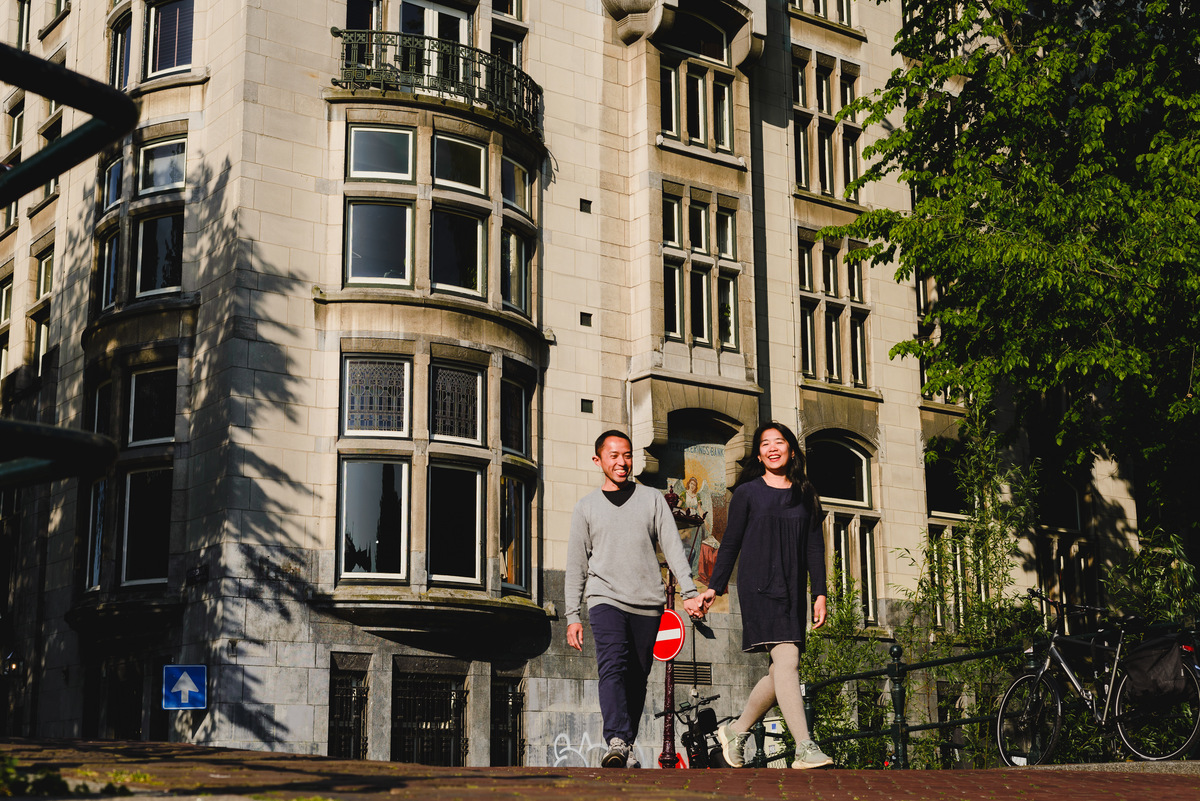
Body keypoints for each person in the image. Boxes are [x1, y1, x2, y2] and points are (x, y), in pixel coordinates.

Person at [694, 422, 833, 770]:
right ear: (758, 453)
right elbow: (730, 543)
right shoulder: (748, 493)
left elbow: (814, 547)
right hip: (759, 587)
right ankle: (803, 747)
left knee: (779, 672)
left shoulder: (806, 494)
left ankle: (736, 732)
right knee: (788, 661)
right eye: (765, 444)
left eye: (779, 442)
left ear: (790, 450)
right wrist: (714, 587)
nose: (773, 448)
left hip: (792, 591)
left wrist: (820, 592)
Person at [565, 430, 706, 768]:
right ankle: (615, 737)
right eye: (613, 455)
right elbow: (576, 565)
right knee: (612, 665)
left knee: (638, 676)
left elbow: (673, 547)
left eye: (627, 455)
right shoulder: (585, 508)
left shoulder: (652, 499)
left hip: (647, 601)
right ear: (598, 460)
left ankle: (624, 744)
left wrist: (689, 592)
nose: (622, 462)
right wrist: (572, 615)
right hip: (604, 598)